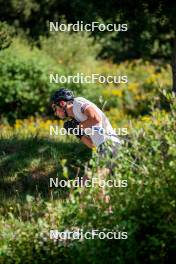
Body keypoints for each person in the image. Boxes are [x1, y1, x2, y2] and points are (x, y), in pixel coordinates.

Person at [51, 88, 121, 158]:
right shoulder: (77, 118)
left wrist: (77, 127)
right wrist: (78, 133)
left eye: (55, 107)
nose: (55, 112)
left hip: (109, 143)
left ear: (62, 103)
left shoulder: (77, 103)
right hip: (103, 146)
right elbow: (92, 144)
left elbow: (96, 119)